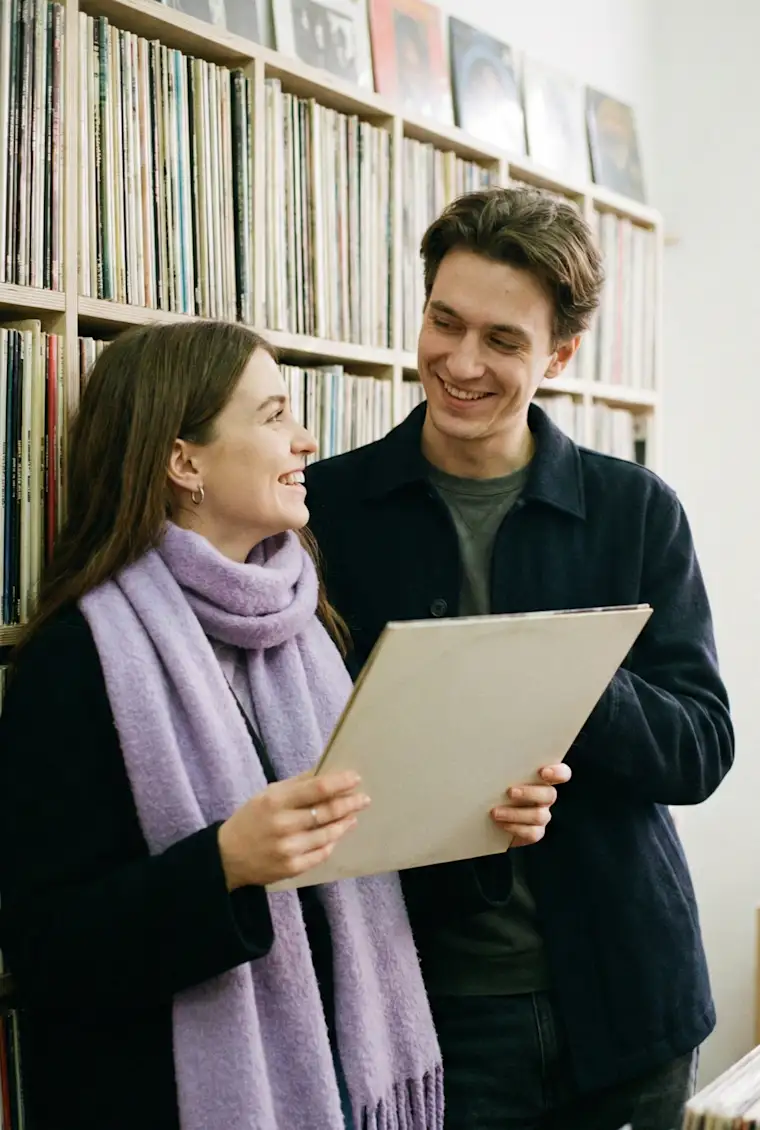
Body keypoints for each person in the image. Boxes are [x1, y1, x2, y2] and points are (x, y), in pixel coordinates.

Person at [0, 319, 566, 1130]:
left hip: (341, 1087)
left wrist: (480, 823)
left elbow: (370, 879)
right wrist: (223, 865)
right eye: (272, 417)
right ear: (182, 460)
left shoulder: (312, 626)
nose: (305, 440)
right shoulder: (77, 658)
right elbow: (49, 951)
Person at [304, 186, 735, 1130]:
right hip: (423, 1009)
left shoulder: (636, 509)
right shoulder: (326, 511)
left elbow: (703, 748)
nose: (460, 363)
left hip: (627, 1003)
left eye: (503, 341)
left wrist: (563, 680)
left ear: (561, 355)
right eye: (443, 322)